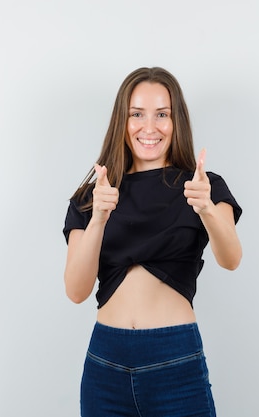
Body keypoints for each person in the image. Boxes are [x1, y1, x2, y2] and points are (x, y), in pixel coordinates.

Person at [62, 67, 242, 417]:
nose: (149, 127)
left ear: (177, 122)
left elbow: (231, 258)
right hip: (106, 362)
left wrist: (205, 207)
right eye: (137, 114)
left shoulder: (202, 187)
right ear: (122, 121)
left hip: (174, 358)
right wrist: (98, 218)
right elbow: (76, 290)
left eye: (162, 114)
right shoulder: (93, 196)